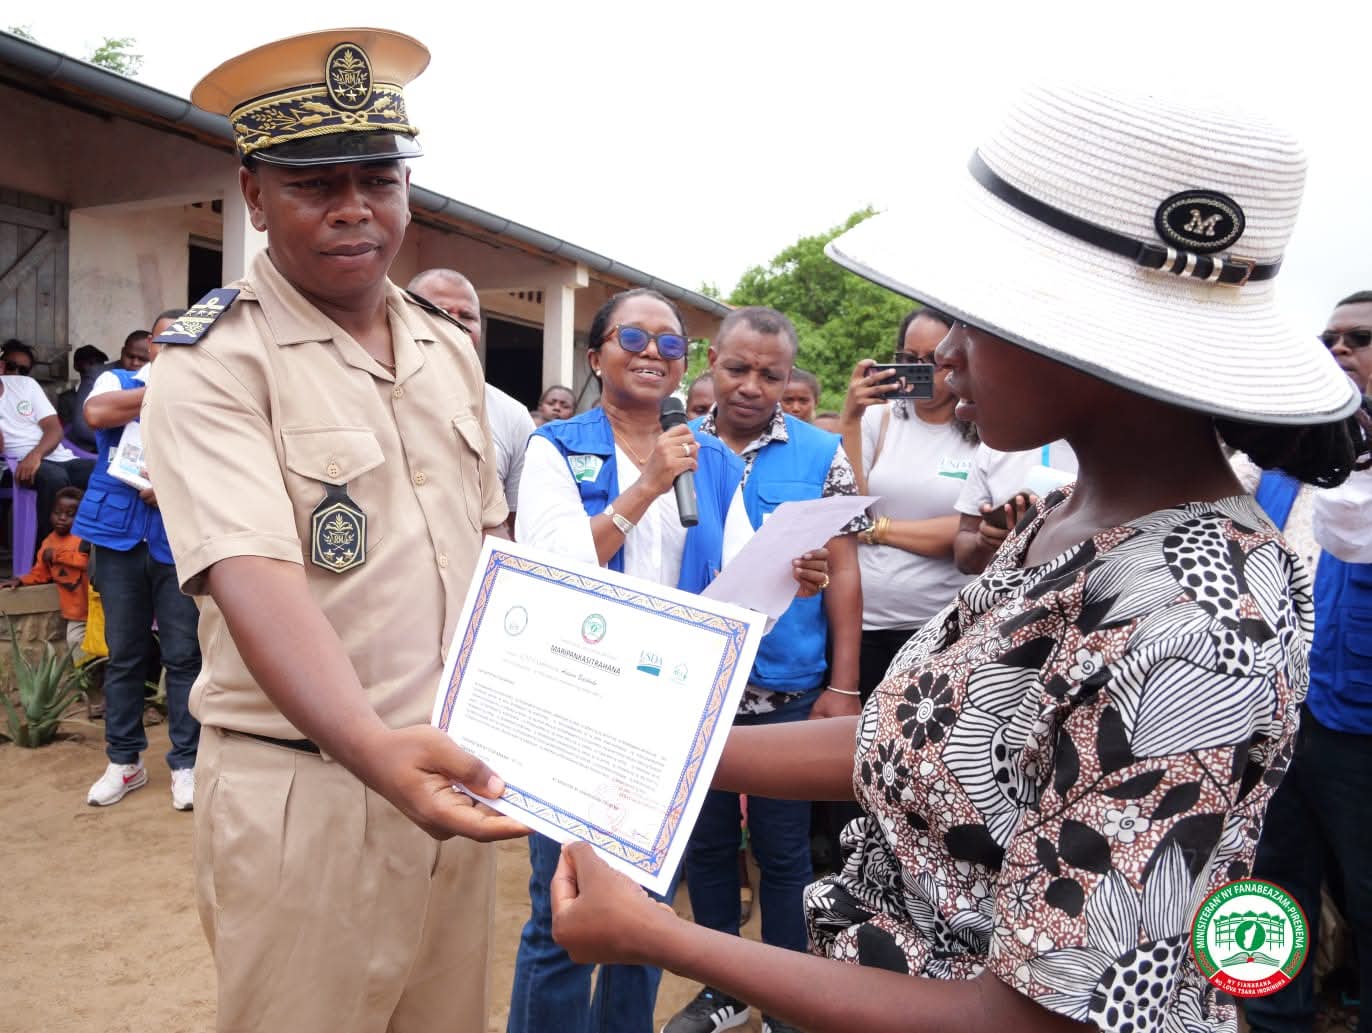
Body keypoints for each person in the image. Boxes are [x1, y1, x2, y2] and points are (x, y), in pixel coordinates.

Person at [547, 83, 1369, 1033]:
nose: (948, 358)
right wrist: (668, 757)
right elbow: (924, 749)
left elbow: (1038, 1016)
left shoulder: (1198, 620)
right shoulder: (1069, 515)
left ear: (1095, 331)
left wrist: (669, 940)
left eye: (978, 318)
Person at [141, 29, 526, 1033]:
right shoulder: (214, 362)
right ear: (254, 193)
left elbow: (492, 553)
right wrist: (373, 750)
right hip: (304, 791)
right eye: (316, 183)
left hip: (442, 783)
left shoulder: (446, 348)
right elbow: (253, 576)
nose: (356, 207)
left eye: (378, 177)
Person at [510, 287, 827, 1033]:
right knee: (564, 910)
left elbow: (736, 571)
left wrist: (794, 572)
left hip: (666, 708)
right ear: (596, 356)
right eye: (633, 337)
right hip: (574, 698)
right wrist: (648, 482)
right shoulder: (555, 448)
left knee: (646, 909)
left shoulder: (710, 457)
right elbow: (552, 572)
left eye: (671, 343)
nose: (653, 352)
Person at [665, 306, 864, 1033]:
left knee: (782, 852)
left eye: (771, 375)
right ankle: (724, 987)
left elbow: (843, 573)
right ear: (710, 363)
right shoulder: (674, 448)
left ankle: (784, 995)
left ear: (789, 378)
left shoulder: (822, 455)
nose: (751, 386)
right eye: (737, 368)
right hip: (690, 683)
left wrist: (843, 686)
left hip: (785, 689)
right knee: (710, 845)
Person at [1244, 290, 1372, 1033]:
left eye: (1358, 336)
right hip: (1274, 712)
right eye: (1327, 337)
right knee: (1264, 895)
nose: (1337, 349)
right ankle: (1268, 1026)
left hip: (1358, 724)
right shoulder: (1285, 460)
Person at [76, 308, 202, 810]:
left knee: (184, 656)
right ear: (149, 346)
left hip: (177, 538)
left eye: (183, 339)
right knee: (125, 654)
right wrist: (165, 389)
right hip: (118, 536)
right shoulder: (119, 379)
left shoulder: (209, 389)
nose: (172, 346)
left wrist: (172, 483)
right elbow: (97, 416)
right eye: (162, 340)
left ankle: (187, 763)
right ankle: (123, 761)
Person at [839, 305, 979, 702]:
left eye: (931, 361)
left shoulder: (985, 431)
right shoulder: (877, 420)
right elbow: (847, 512)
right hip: (862, 626)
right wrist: (850, 418)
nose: (918, 370)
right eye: (907, 359)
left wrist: (878, 529)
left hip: (938, 626)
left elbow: (967, 533)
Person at [408, 267, 536, 524]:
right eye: (437, 311)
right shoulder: (366, 395)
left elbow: (513, 523)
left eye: (467, 316)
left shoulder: (513, 416)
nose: (454, 323)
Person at [0, 364, 95, 548]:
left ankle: (90, 553)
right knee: (54, 478)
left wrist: (35, 455)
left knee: (101, 474)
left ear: (1, 367)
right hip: (11, 466)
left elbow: (54, 429)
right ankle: (46, 556)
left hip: (55, 456)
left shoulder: (25, 385)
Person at [951, 440, 1079, 575]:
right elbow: (964, 561)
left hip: (1079, 589)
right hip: (1005, 590)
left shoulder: (1102, 450)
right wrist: (983, 542)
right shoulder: (999, 442)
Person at [2, 486, 89, 654]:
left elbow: (86, 562)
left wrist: (57, 556)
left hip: (98, 608)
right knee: (75, 642)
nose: (62, 518)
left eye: (70, 515)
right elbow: (40, 573)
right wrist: (21, 580)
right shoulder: (48, 542)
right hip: (76, 613)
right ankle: (85, 678)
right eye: (58, 512)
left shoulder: (83, 539)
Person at [58, 344, 109, 453]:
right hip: (80, 451)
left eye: (100, 363)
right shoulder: (66, 399)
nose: (96, 367)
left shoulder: (112, 392)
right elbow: (71, 431)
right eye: (90, 363)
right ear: (76, 366)